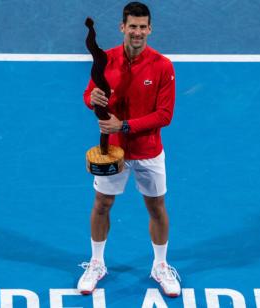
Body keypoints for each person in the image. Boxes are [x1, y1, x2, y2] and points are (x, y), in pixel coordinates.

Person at [77, 2, 181, 297]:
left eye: (142, 26)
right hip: (112, 150)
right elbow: (88, 94)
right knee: (102, 204)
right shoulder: (105, 60)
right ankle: (96, 263)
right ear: (123, 27)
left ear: (150, 29)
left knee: (156, 208)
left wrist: (123, 126)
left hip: (148, 150)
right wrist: (92, 98)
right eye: (132, 26)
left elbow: (164, 115)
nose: (137, 32)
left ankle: (160, 266)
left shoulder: (162, 66)